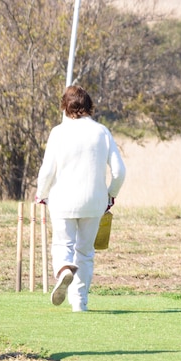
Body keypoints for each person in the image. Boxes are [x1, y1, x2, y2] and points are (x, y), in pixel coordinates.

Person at [35, 85, 126, 313]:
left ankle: (64, 269)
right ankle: (80, 303)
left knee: (62, 245)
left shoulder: (58, 132)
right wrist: (110, 195)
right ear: (89, 106)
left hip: (63, 200)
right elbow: (119, 171)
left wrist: (41, 193)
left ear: (65, 106)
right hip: (94, 202)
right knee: (85, 252)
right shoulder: (102, 132)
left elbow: (47, 171)